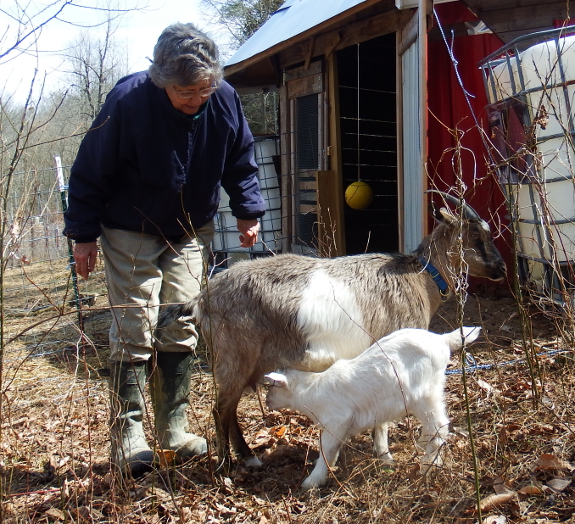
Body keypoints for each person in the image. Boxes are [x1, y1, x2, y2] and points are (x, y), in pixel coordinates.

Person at [63, 23, 265, 477]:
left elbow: (241, 159)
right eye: (185, 91)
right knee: (135, 323)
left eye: (204, 88)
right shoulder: (128, 100)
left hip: (191, 229)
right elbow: (90, 168)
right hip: (129, 227)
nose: (196, 98)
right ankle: (128, 436)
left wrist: (247, 210)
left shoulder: (225, 99)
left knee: (182, 321)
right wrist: (83, 234)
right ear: (161, 81)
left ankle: (173, 431)